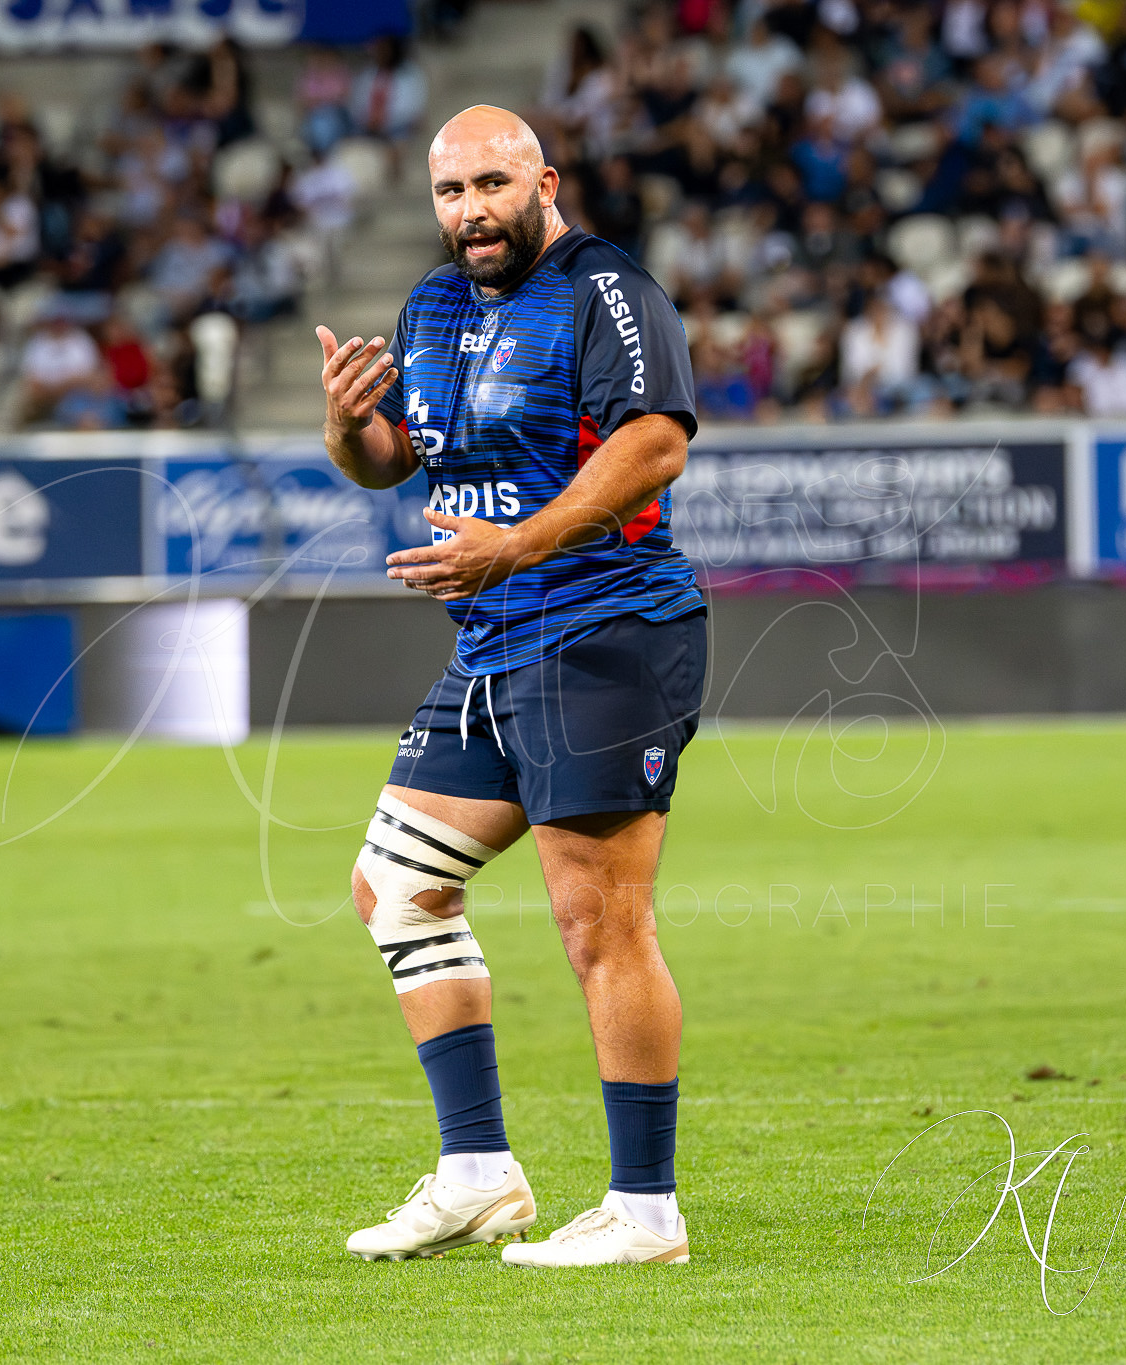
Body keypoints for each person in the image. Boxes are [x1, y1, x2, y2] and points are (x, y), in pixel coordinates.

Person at [315, 105, 703, 1269]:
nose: (470, 212)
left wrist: (515, 545)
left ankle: (645, 1213)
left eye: (491, 186)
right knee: (396, 888)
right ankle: (478, 1176)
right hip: (490, 640)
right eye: (449, 193)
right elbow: (398, 458)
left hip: (604, 630)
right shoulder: (433, 305)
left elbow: (653, 444)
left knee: (598, 923)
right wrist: (346, 430)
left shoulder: (608, 293)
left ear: (543, 180)